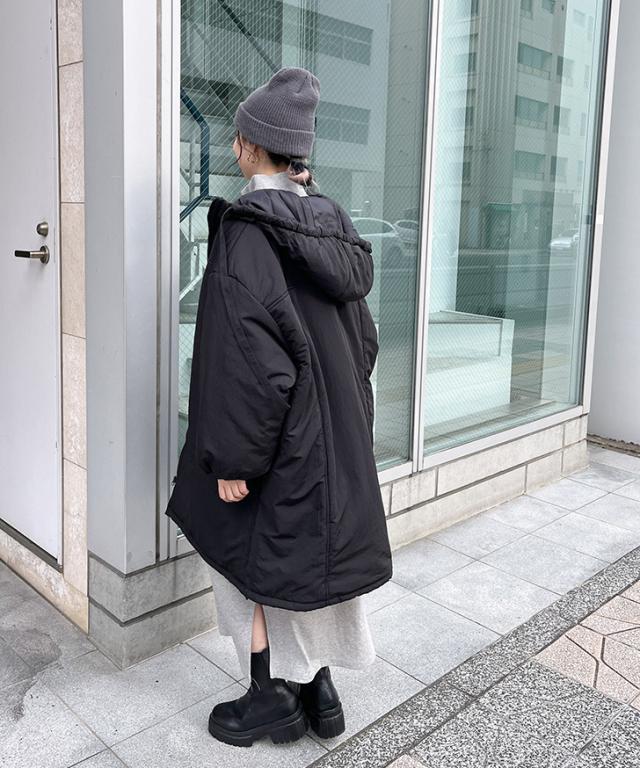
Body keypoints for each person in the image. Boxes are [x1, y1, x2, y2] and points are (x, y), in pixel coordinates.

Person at [165, 66, 393, 748]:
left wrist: (234, 460)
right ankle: (319, 690)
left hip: (273, 438)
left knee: (240, 550)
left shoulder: (248, 232)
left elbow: (247, 366)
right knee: (303, 555)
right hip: (329, 435)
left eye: (239, 136)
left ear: (248, 146)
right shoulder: (332, 224)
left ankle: (270, 697)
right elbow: (365, 342)